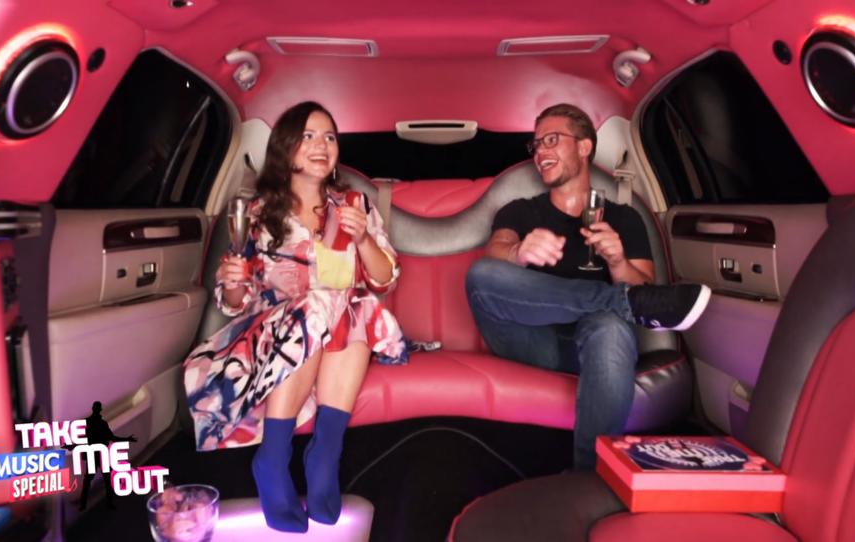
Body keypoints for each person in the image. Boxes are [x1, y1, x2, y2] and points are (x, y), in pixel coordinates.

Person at [183, 101, 407, 533]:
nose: (321, 145)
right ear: (285, 147)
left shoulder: (354, 205)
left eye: (329, 137)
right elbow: (236, 302)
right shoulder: (257, 213)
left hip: (341, 329)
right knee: (322, 303)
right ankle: (273, 457)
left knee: (358, 303)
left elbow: (385, 280)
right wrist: (233, 279)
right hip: (270, 337)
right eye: (308, 136)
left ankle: (325, 453)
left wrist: (362, 239)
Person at [465, 103, 711, 470]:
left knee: (610, 327)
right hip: (531, 339)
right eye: (536, 145)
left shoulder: (624, 217)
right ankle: (623, 302)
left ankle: (588, 476)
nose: (541, 152)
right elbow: (493, 256)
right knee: (481, 275)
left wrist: (618, 262)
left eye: (552, 140)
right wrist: (518, 252)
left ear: (584, 147)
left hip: (596, 345)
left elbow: (644, 283)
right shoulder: (520, 211)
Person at [78, 401, 136, 511]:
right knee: (99, 479)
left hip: (99, 454)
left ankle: (88, 503)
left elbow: (111, 438)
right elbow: (112, 438)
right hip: (97, 454)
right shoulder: (98, 423)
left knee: (96, 479)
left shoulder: (90, 423)